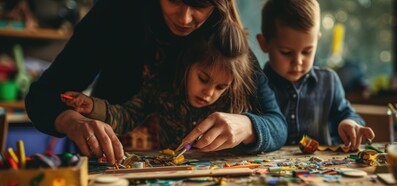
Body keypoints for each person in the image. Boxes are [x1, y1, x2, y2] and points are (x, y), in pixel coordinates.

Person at [25, 0, 287, 164]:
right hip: (116, 168)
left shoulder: (224, 38)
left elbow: (277, 122)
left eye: (199, 5)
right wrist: (70, 120)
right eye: (174, 0)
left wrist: (248, 125)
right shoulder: (115, 13)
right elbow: (41, 96)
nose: (185, 18)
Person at [61, 21, 285, 154]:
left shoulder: (238, 95)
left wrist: (249, 126)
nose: (209, 93)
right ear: (187, 65)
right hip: (175, 176)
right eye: (203, 78)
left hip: (225, 177)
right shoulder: (161, 87)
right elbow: (127, 115)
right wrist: (92, 107)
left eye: (221, 87)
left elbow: (279, 127)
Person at [256, 0, 374, 150]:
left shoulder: (328, 81)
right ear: (264, 43)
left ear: (317, 40)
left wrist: (349, 123)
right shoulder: (257, 85)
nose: (297, 62)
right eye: (286, 52)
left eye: (307, 52)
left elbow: (347, 114)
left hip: (324, 170)